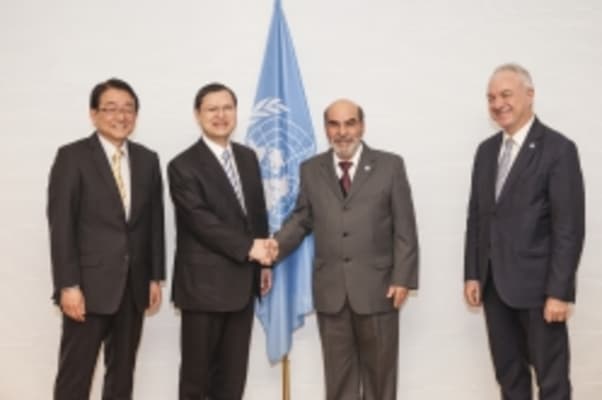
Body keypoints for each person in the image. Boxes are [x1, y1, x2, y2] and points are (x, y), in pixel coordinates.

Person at [269, 99, 419, 400]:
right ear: (326, 129)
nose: (342, 132)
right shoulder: (311, 169)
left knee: (380, 380)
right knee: (338, 382)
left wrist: (402, 278)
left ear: (362, 126)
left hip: (379, 290)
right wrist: (274, 246)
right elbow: (301, 219)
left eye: (350, 123)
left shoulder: (390, 166)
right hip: (331, 292)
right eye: (334, 124)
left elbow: (405, 228)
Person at [464, 63, 585, 399]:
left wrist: (559, 292)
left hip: (540, 291)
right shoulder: (486, 151)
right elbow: (477, 218)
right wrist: (473, 274)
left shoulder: (558, 149)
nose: (497, 104)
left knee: (552, 381)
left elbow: (568, 227)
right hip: (493, 288)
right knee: (510, 378)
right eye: (491, 98)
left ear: (529, 95)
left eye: (506, 95)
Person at [47, 78, 165, 400]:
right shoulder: (72, 157)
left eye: (128, 109)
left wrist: (154, 276)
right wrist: (68, 285)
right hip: (87, 288)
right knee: (75, 375)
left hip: (133, 286)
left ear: (136, 115)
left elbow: (154, 221)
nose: (120, 116)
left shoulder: (148, 159)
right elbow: (61, 226)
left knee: (122, 374)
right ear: (94, 114)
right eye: (111, 108)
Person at [168, 82, 273, 400]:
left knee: (232, 381)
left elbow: (256, 214)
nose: (221, 115)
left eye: (227, 108)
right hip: (203, 289)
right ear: (198, 115)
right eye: (212, 109)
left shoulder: (247, 157)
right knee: (197, 382)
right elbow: (200, 221)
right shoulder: (182, 165)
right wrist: (249, 248)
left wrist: (264, 263)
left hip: (243, 284)